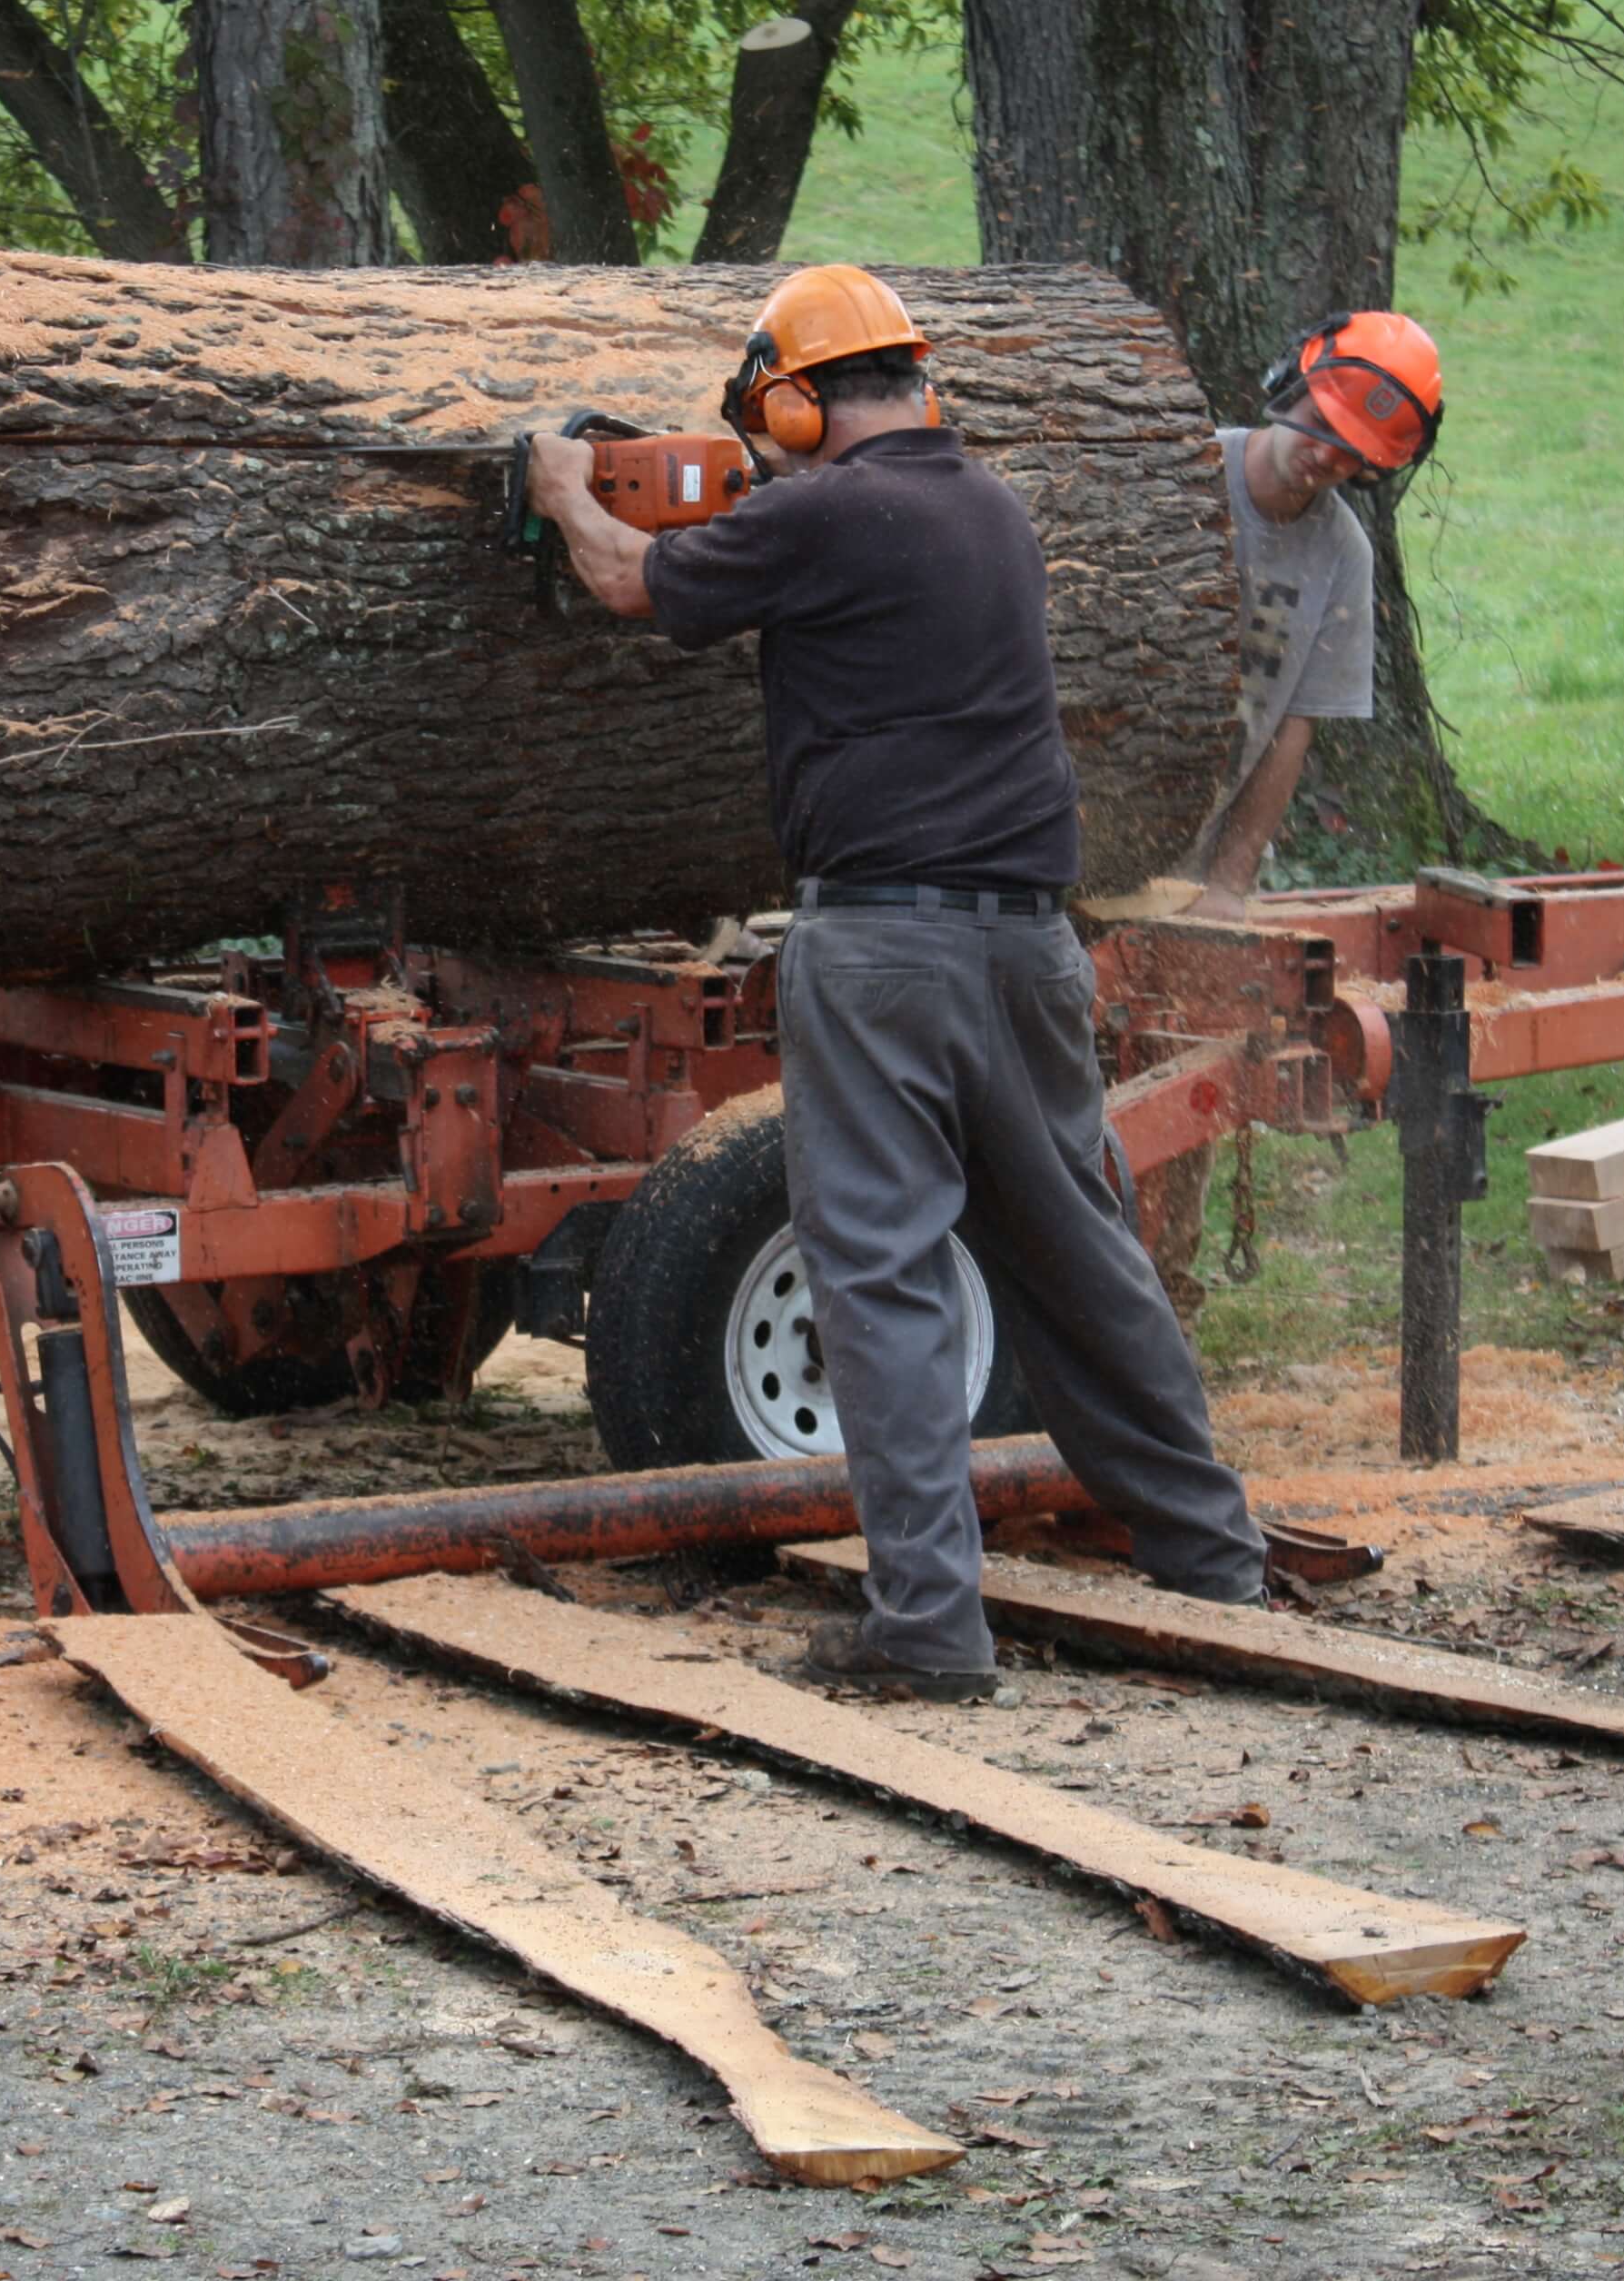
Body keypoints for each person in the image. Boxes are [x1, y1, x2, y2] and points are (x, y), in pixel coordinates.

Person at [521, 265, 1271, 1704]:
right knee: (1083, 1253)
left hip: (881, 943)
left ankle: (928, 1626)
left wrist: (564, 483)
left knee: (877, 1272)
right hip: (1028, 944)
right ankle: (1210, 1555)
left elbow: (624, 578)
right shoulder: (986, 506)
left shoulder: (811, 513)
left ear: (796, 400)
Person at [1172, 312, 1446, 923]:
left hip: (1191, 861)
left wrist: (1228, 884)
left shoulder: (1343, 554)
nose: (1323, 455)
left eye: (1350, 452)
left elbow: (1292, 731)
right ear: (1292, 388)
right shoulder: (1182, 476)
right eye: (1321, 424)